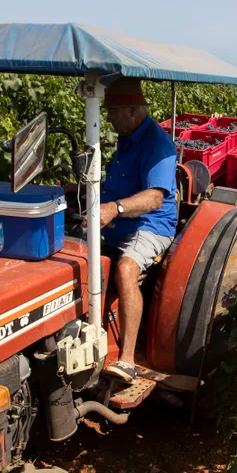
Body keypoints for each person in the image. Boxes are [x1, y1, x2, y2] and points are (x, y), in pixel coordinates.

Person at [96, 78, 178, 383]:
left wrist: (113, 208)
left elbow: (155, 197)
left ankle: (127, 359)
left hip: (151, 225)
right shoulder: (125, 139)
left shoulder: (157, 144)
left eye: (113, 111)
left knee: (127, 268)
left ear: (132, 111)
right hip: (118, 221)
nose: (108, 117)